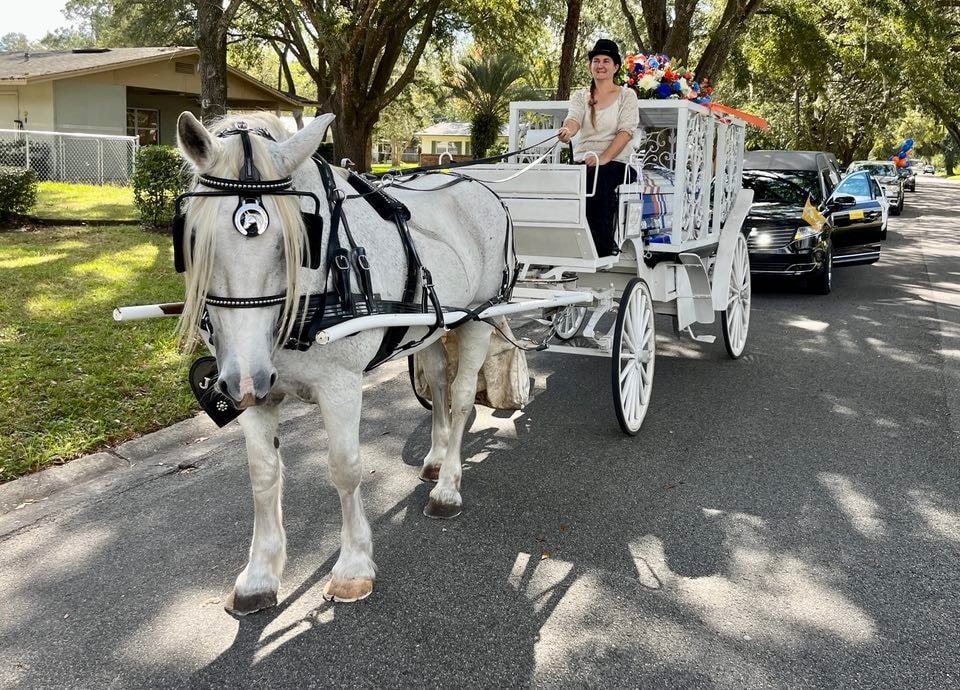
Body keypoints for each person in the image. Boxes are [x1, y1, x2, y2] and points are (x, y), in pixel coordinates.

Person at [558, 38, 640, 257]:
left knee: (598, 178)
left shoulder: (626, 96)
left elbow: (626, 132)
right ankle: (563, 243)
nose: (600, 65)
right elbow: (574, 119)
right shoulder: (580, 96)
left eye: (606, 60)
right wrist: (568, 131)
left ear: (616, 66)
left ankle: (600, 247)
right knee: (563, 180)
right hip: (584, 161)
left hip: (617, 163)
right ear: (590, 66)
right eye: (596, 60)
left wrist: (603, 158)